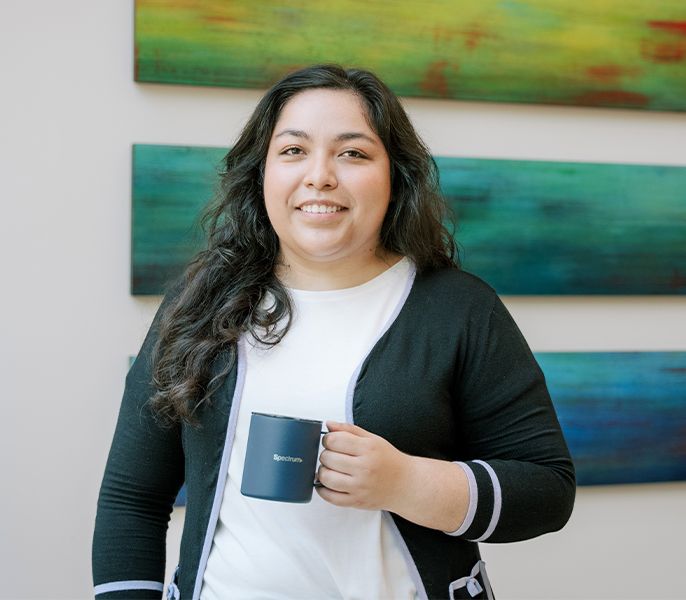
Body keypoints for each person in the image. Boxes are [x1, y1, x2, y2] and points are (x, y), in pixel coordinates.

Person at [92, 64, 575, 600]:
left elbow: (548, 490)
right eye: (293, 151)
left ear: (397, 177)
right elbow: (131, 499)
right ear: (261, 173)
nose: (319, 175)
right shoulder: (198, 302)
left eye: (353, 153)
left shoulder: (459, 308)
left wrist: (407, 483)